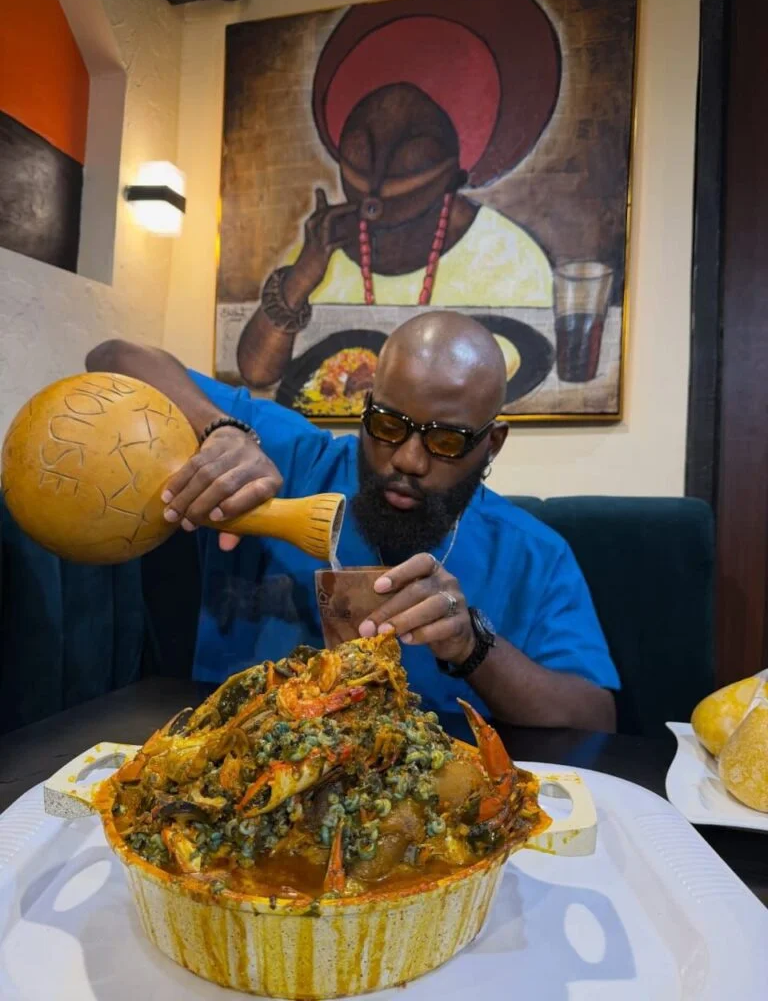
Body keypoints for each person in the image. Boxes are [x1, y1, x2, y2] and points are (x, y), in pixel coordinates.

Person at [87, 313, 618, 731]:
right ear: (365, 409)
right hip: (242, 766)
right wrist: (219, 430)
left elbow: (594, 719)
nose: (407, 460)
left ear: (491, 443)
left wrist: (471, 644)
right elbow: (112, 357)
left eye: (446, 440)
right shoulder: (295, 461)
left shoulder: (532, 556)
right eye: (387, 424)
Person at [238, 83, 552, 388]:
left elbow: (517, 375)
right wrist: (302, 277)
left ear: (452, 183)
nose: (374, 217)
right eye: (362, 201)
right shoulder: (325, 242)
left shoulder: (507, 252)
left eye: (402, 209)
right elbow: (257, 373)